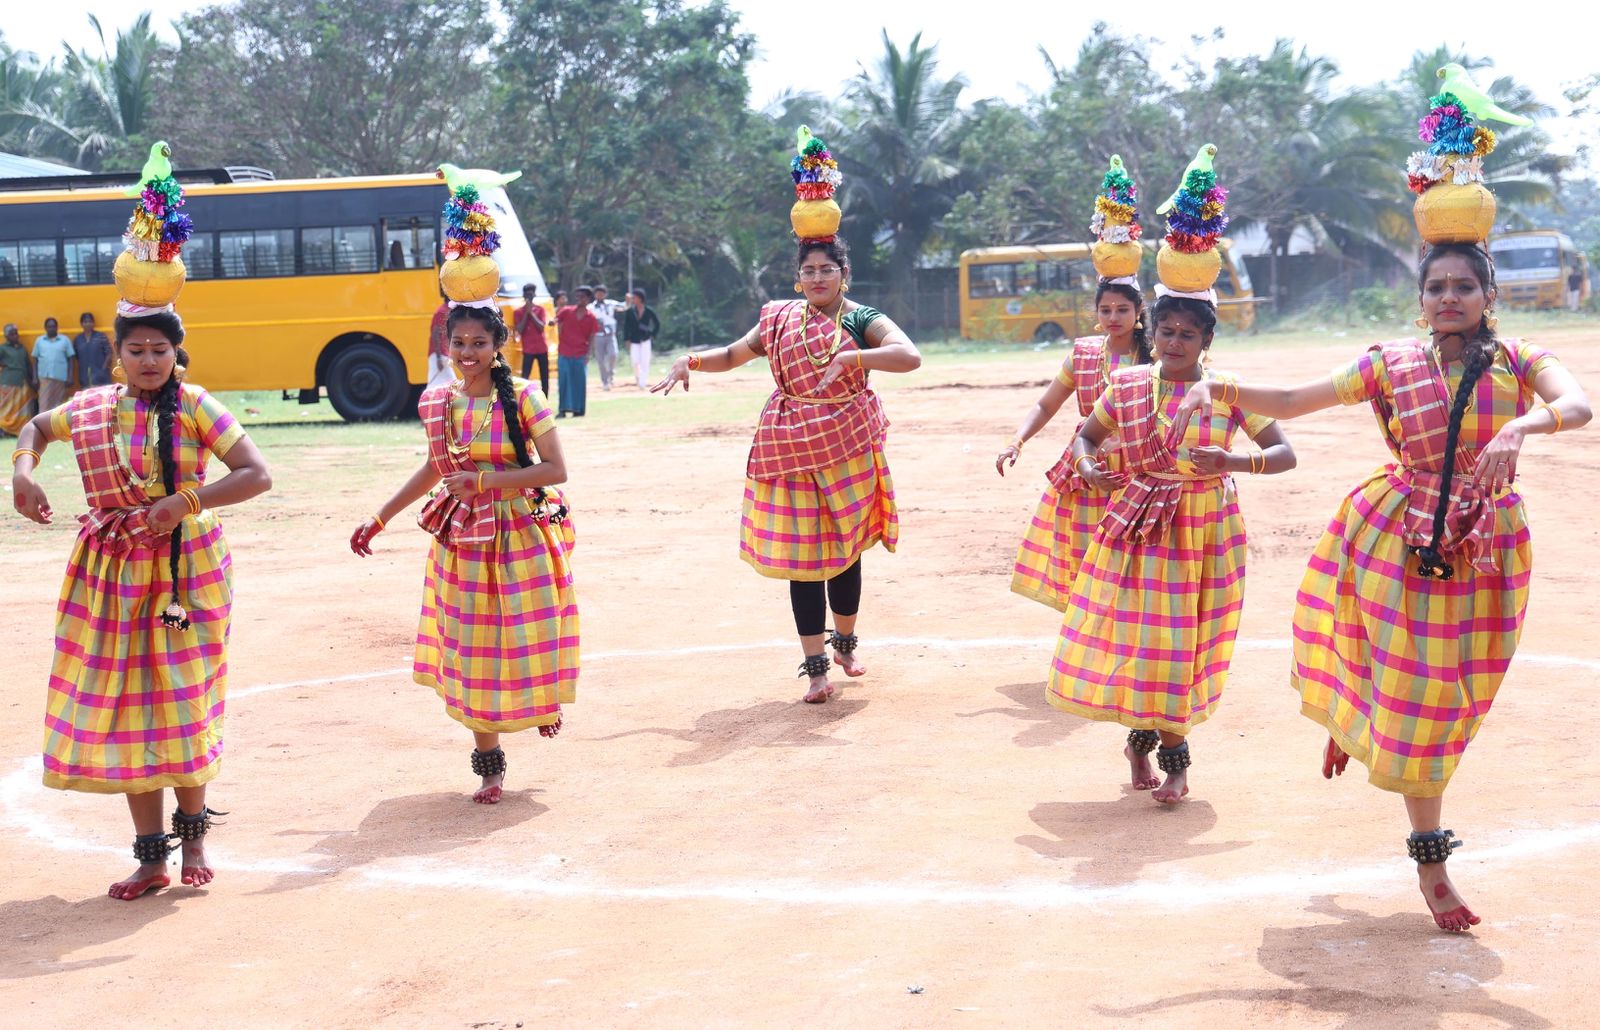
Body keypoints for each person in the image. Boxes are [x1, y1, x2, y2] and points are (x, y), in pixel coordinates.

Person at [1175, 97, 1593, 931]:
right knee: (1422, 704)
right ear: (1420, 297)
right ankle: (1432, 865)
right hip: (1395, 536)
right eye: (1435, 286)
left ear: (1487, 292)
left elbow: (1579, 404)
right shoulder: (1389, 364)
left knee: (1454, 694)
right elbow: (1294, 396)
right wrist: (1217, 387)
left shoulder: (1521, 360)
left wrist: (1521, 422)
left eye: (1462, 286)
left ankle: (1371, 725)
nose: (1448, 297)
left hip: (1488, 550)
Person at [8, 147, 273, 900]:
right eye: (137, 350)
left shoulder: (197, 406)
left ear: (175, 354)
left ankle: (194, 846)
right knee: (129, 711)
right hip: (110, 577)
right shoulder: (91, 408)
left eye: (161, 349)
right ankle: (150, 857)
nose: (150, 359)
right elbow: (34, 429)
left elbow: (257, 474)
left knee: (180, 702)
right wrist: (21, 474)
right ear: (116, 357)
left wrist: (185, 503)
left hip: (186, 572)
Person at [1046, 146, 1296, 802]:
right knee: (1150, 645)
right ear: (1153, 333)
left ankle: (1146, 744)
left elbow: (1286, 453)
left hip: (1208, 534)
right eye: (1168, 331)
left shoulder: (1230, 392)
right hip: (1138, 532)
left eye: (1189, 333)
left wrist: (1235, 461)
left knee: (1187, 648)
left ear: (1207, 341)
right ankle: (1168, 756)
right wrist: (1091, 467)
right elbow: (1082, 439)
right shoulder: (1127, 386)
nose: (1176, 341)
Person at [652, 126, 921, 704]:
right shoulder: (779, 318)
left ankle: (845, 642)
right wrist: (690, 360)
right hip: (789, 446)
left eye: (828, 270)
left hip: (847, 441)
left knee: (844, 552)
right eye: (809, 272)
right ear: (797, 278)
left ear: (843, 275)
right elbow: (734, 354)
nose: (817, 279)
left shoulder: (859, 318)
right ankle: (815, 664)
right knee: (804, 560)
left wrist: (855, 353)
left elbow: (909, 355)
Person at [350, 172, 576, 803]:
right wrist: (381, 517)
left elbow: (556, 471)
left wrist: (488, 481)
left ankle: (540, 700)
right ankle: (490, 762)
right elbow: (430, 469)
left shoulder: (524, 396)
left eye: (480, 342)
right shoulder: (437, 400)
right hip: (461, 540)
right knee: (473, 644)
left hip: (525, 532)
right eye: (459, 343)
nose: (468, 352)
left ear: (499, 345)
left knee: (528, 630)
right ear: (445, 345)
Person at [998, 156, 1152, 610]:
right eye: (1105, 310)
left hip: (1143, 468)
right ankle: (1090, 641)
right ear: (1096, 312)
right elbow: (1046, 406)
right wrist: (1017, 441)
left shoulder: (1160, 357)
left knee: (1139, 563)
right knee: (1089, 562)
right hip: (1089, 468)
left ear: (1139, 313)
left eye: (1122, 310)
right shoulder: (1084, 353)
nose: (1112, 318)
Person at [554, 286, 599, 417]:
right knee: (564, 381)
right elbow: (557, 319)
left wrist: (589, 354)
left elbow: (592, 336)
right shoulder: (567, 311)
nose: (579, 299)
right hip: (565, 351)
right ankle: (563, 409)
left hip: (581, 353)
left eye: (582, 297)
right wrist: (553, 322)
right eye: (578, 297)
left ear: (588, 299)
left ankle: (578, 410)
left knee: (579, 382)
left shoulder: (591, 317)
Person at [1, 323, 37, 436]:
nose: (15, 336)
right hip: (8, 383)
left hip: (23, 384)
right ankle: (4, 430)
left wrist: (33, 380)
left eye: (16, 333)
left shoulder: (22, 348)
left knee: (22, 410)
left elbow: (28, 365)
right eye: (11, 334)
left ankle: (19, 431)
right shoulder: (3, 348)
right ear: (6, 336)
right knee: (5, 410)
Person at [622, 287, 661, 389]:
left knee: (645, 361)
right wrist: (626, 339)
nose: (633, 300)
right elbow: (626, 326)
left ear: (640, 298)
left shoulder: (648, 310)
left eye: (634, 297)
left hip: (645, 339)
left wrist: (653, 334)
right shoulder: (630, 311)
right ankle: (638, 377)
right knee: (635, 361)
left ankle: (642, 383)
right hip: (634, 340)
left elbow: (657, 323)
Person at [32, 317, 75, 409]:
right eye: (49, 326)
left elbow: (71, 359)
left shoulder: (65, 340)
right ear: (45, 328)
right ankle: (43, 423)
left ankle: (56, 423)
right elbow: (35, 360)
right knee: (44, 404)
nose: (51, 328)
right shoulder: (39, 341)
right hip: (44, 379)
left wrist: (70, 377)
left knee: (59, 406)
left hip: (60, 378)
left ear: (57, 327)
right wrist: (35, 377)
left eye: (53, 326)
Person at [515, 283, 550, 395]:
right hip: (528, 349)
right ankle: (523, 397)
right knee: (525, 377)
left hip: (541, 348)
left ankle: (545, 399)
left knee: (544, 376)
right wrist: (526, 313)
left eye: (531, 293)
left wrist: (531, 313)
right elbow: (519, 330)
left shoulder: (540, 310)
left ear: (535, 294)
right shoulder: (518, 312)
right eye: (527, 293)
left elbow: (541, 327)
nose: (529, 295)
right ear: (523, 295)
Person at [590, 284, 619, 391]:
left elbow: (624, 306)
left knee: (613, 354)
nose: (600, 295)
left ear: (605, 294)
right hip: (598, 336)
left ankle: (611, 373)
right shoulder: (590, 307)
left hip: (610, 334)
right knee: (600, 360)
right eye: (598, 293)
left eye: (602, 293)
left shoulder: (611, 304)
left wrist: (629, 301)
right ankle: (605, 381)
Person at [74, 311, 113, 389]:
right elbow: (77, 356)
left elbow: (109, 353)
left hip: (101, 376)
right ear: (81, 324)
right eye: (85, 322)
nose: (88, 324)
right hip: (84, 376)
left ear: (93, 323)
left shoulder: (100, 336)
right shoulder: (78, 339)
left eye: (90, 321)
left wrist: (103, 369)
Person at [427, 297, 453, 388]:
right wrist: (438, 358)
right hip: (438, 355)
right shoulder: (442, 312)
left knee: (434, 385)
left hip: (441, 354)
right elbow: (435, 334)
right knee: (453, 383)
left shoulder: (447, 310)